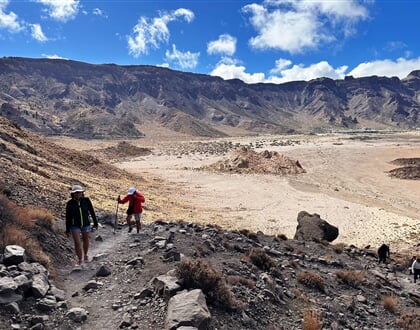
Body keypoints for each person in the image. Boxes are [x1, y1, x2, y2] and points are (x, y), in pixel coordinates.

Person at [65, 184, 98, 266]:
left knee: (85, 239)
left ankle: (86, 255)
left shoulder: (86, 200)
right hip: (74, 225)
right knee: (77, 242)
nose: (78, 194)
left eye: (79, 192)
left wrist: (95, 223)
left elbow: (92, 211)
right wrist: (67, 229)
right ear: (73, 194)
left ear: (82, 193)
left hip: (86, 223)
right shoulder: (70, 203)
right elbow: (68, 217)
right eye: (76, 193)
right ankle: (80, 259)